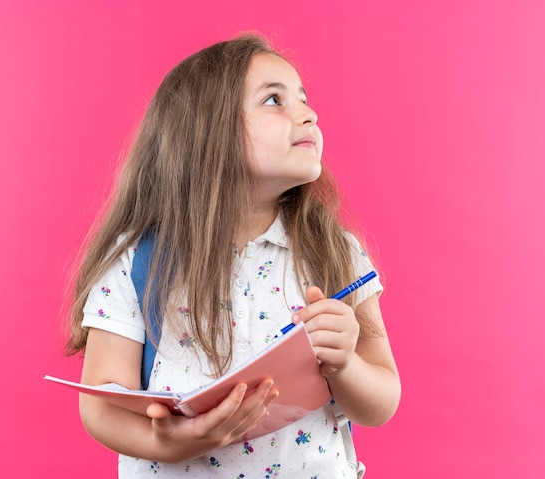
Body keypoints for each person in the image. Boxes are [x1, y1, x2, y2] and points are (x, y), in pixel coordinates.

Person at [65, 33, 400, 478]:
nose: (308, 113)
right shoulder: (134, 260)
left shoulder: (335, 253)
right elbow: (101, 407)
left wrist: (345, 364)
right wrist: (168, 442)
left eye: (303, 98)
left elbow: (381, 404)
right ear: (206, 132)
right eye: (273, 100)